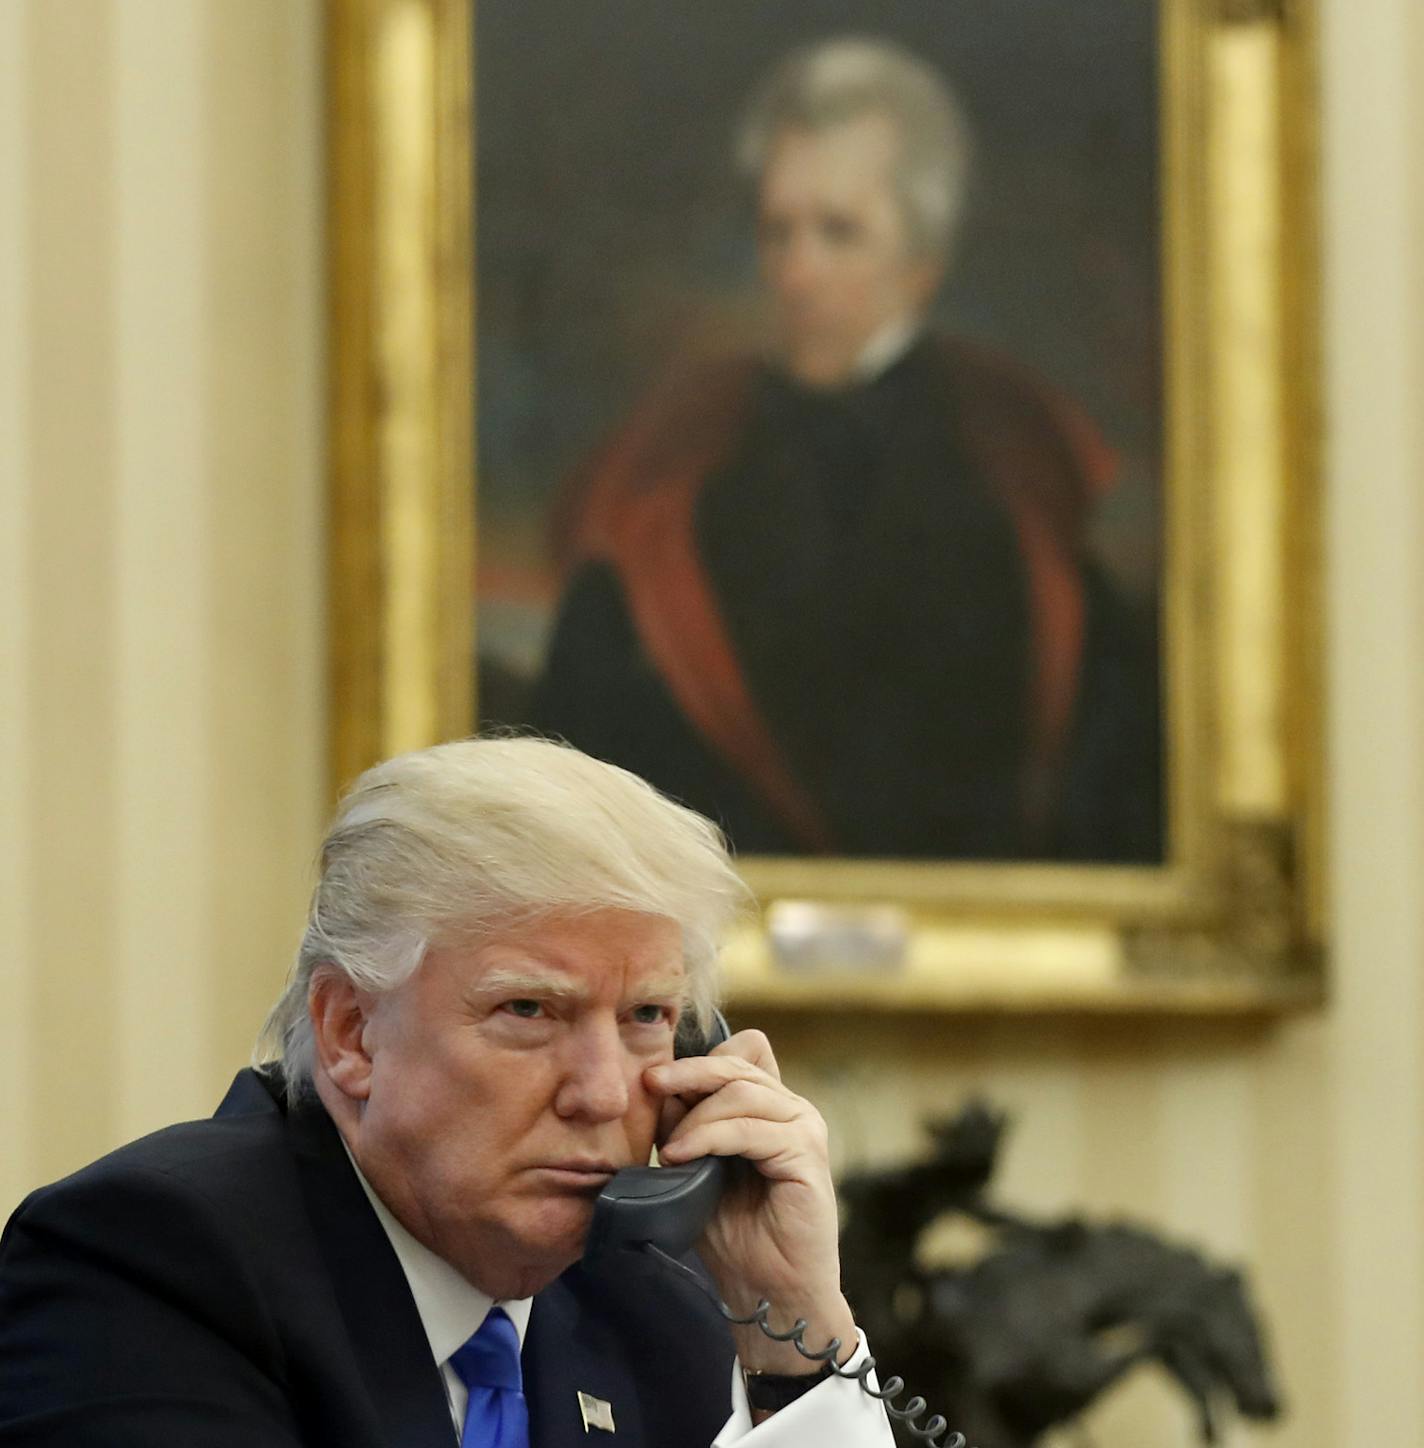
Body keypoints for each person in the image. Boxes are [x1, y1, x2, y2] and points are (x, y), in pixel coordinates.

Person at [0, 737, 900, 1447]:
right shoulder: (154, 1261)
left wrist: (792, 1343)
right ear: (353, 1032)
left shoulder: (658, 1309)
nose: (601, 1094)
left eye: (648, 1015)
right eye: (529, 1010)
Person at [528, 38, 1160, 863]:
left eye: (838, 233)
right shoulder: (678, 464)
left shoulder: (1016, 475)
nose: (796, 272)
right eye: (777, 232)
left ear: (923, 262)